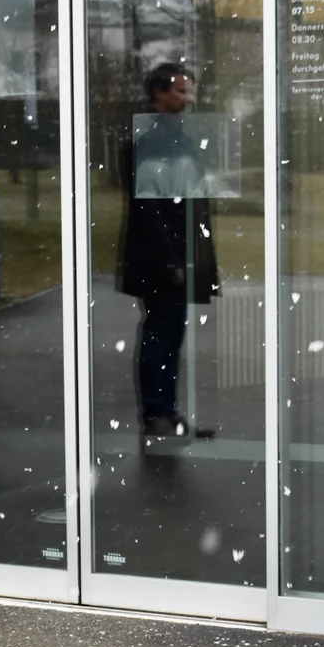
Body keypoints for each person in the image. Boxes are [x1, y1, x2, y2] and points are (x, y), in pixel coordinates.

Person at [118, 63, 219, 438]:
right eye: (179, 90)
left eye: (187, 90)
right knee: (160, 331)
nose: (187, 97)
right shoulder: (149, 142)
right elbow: (150, 208)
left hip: (179, 252)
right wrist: (169, 259)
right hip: (162, 257)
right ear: (158, 94)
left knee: (171, 330)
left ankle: (167, 410)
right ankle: (155, 412)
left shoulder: (180, 138)